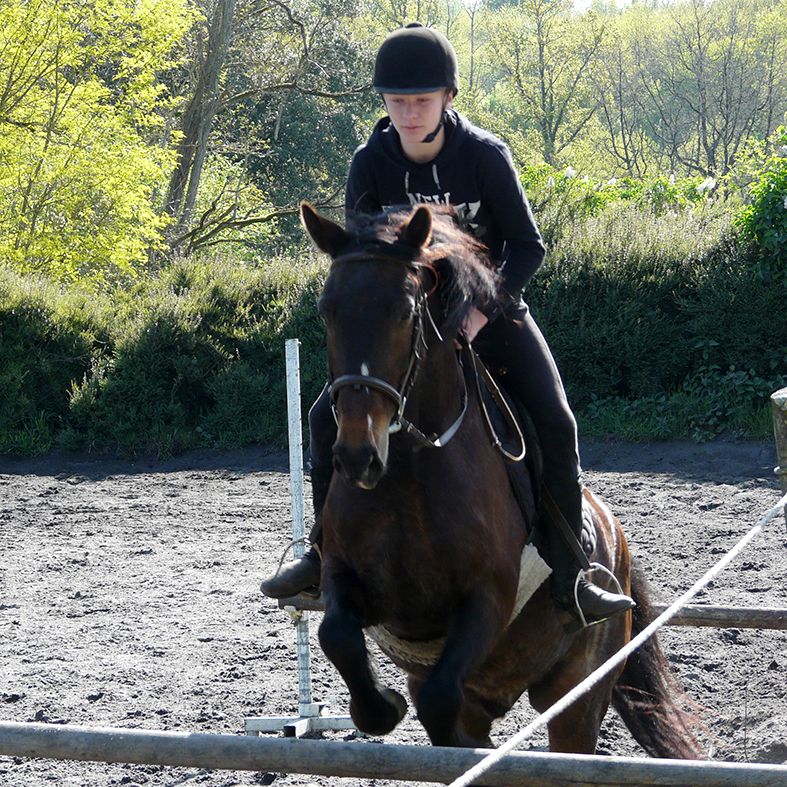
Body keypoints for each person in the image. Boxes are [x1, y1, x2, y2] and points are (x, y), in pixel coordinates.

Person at [261, 22, 634, 625]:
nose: (408, 113)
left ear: (448, 100)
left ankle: (573, 574)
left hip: (490, 310)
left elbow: (527, 246)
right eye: (397, 100)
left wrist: (482, 313)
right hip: (405, 324)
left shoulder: (484, 157)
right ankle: (318, 554)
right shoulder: (370, 162)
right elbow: (362, 257)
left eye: (421, 100)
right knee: (325, 415)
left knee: (556, 419)